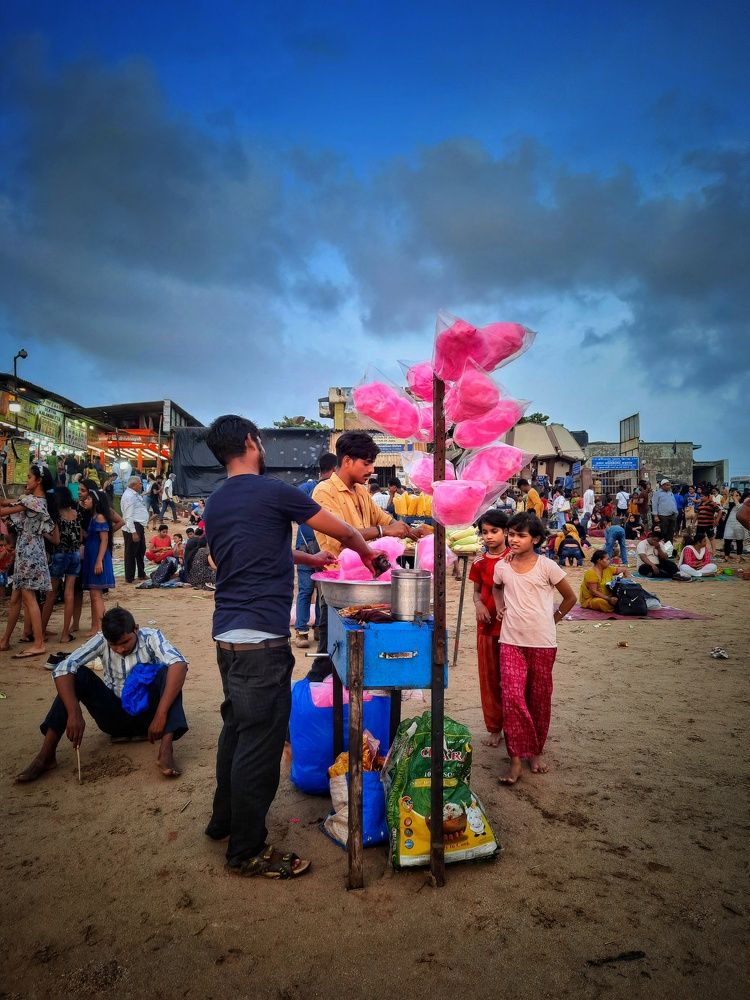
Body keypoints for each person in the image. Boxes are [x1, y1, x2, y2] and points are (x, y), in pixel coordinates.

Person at [202, 414, 379, 879]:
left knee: (236, 730)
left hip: (228, 636)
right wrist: (368, 555)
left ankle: (223, 822)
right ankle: (246, 851)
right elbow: (343, 531)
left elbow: (234, 553)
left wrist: (307, 558)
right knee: (259, 746)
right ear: (251, 442)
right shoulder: (274, 491)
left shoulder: (215, 501)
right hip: (262, 642)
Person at [15, 607, 188, 783]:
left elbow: (179, 664)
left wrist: (161, 714)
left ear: (136, 629)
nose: (120, 649)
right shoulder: (101, 640)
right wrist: (74, 712)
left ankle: (166, 750)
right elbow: (64, 667)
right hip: (113, 718)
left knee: (169, 674)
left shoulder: (151, 637)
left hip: (150, 718)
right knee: (78, 674)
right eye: (114, 645)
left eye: (125, 642)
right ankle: (46, 755)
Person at [311, 432, 420, 680]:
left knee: (363, 659)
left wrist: (410, 530)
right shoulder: (324, 492)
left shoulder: (361, 491)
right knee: (331, 657)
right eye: (367, 463)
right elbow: (341, 537)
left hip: (366, 585)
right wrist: (383, 531)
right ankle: (314, 694)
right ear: (347, 460)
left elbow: (384, 519)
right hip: (340, 588)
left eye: (372, 463)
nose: (371, 469)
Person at [491, 512, 576, 786]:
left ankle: (536, 752)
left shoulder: (547, 566)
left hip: (542, 643)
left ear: (536, 539)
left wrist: (554, 619)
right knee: (513, 698)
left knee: (539, 700)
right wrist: (500, 606)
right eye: (511, 534)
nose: (513, 540)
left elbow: (570, 597)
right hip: (510, 642)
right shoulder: (502, 567)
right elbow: (496, 588)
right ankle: (516, 759)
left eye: (521, 535)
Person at [0, 465, 60, 657]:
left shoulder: (32, 500)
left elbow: (4, 510)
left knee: (28, 596)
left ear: (38, 480)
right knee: (17, 597)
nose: (26, 481)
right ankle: (5, 640)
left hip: (28, 551)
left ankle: (39, 642)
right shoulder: (38, 501)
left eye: (28, 477)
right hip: (30, 548)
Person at [469, 510, 511, 749]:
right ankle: (495, 727)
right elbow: (476, 592)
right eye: (485, 532)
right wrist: (478, 605)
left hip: (513, 627)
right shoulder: (479, 562)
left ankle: (514, 726)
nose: (489, 536)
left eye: (494, 531)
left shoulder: (514, 558)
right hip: (486, 626)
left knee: (512, 679)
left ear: (505, 532)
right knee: (489, 678)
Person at [294, 453, 337, 649]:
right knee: (314, 591)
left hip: (314, 547)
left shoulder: (306, 488)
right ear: (335, 469)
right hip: (312, 548)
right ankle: (305, 630)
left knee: (315, 592)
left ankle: (313, 630)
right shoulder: (320, 489)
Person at [40, 486, 82, 643]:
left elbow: (56, 540)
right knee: (69, 593)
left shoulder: (56, 516)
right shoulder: (76, 514)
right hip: (75, 555)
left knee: (51, 594)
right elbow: (80, 538)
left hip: (60, 555)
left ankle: (41, 631)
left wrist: (44, 534)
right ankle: (65, 634)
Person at [79, 487, 116, 636]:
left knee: (96, 596)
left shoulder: (100, 517)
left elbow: (104, 540)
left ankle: (101, 628)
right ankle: (98, 628)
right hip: (92, 556)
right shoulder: (94, 517)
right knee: (94, 595)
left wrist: (99, 560)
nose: (85, 501)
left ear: (95, 501)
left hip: (97, 557)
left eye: (88, 498)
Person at [121, 475, 150, 584]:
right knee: (131, 553)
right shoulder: (129, 496)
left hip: (139, 525)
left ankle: (141, 573)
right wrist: (133, 532)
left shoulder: (134, 494)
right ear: (134, 485)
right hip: (132, 527)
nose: (141, 485)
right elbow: (128, 516)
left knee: (140, 550)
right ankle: (129, 577)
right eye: (140, 483)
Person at [722, 489, 748, 560]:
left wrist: (734, 498)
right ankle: (726, 557)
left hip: (739, 524)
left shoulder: (743, 504)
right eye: (734, 495)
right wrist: (729, 497)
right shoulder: (731, 504)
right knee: (727, 540)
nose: (735, 497)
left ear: (740, 497)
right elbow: (724, 506)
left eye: (737, 495)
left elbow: (739, 508)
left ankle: (738, 557)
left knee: (739, 541)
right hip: (730, 524)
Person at [695, 491, 720, 557]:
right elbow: (697, 513)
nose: (701, 497)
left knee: (711, 538)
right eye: (701, 496)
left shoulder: (712, 503)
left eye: (702, 496)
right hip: (700, 524)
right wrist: (693, 523)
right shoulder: (700, 504)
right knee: (699, 538)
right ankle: (701, 552)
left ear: (707, 497)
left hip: (709, 524)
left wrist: (717, 520)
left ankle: (714, 552)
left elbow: (720, 511)